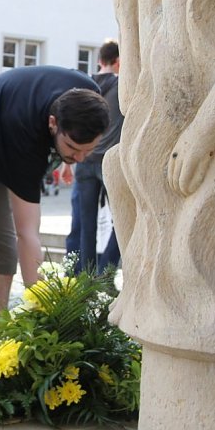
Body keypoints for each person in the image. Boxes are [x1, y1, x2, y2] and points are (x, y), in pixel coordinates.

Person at [0, 66, 109, 339]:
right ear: (53, 123)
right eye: (72, 149)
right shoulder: (24, 136)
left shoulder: (89, 100)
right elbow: (27, 233)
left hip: (0, 131)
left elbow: (72, 139)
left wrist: (66, 157)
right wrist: (45, 309)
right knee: (0, 256)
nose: (80, 158)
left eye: (88, 151)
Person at [65, 39, 122, 273]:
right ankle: (105, 272)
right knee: (122, 222)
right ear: (118, 62)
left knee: (85, 226)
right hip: (110, 163)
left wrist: (67, 163)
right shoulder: (122, 87)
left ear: (99, 61)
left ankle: (86, 279)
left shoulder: (85, 86)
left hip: (83, 160)